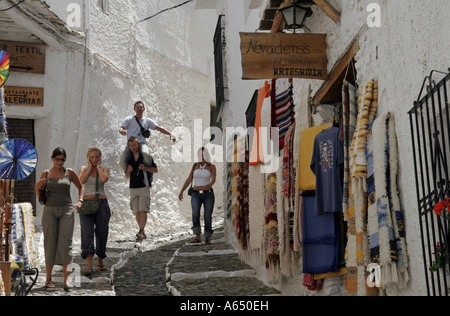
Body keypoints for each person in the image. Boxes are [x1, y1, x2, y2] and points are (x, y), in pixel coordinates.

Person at [35, 147, 85, 291]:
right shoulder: (45, 174)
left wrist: (80, 200)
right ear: (52, 159)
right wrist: (37, 187)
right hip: (49, 210)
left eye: (63, 159)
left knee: (65, 244)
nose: (60, 162)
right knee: (49, 243)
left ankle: (66, 280)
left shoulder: (69, 172)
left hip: (67, 210)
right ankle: (48, 279)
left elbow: (81, 187)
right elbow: (41, 199)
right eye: (58, 159)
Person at [78, 147, 111, 275]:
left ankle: (100, 258)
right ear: (88, 158)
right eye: (92, 157)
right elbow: (81, 181)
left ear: (100, 158)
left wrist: (97, 167)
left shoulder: (104, 169)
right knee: (87, 233)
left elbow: (103, 179)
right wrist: (90, 167)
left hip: (101, 203)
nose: (95, 159)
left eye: (97, 157)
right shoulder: (83, 169)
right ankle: (89, 265)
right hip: (86, 203)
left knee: (102, 233)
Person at [119, 100, 176, 173]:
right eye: (137, 107)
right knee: (122, 162)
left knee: (146, 153)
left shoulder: (147, 120)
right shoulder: (129, 119)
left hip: (141, 143)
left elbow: (158, 128)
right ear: (134, 109)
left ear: (144, 109)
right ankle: (133, 173)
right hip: (131, 144)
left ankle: (146, 171)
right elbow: (122, 128)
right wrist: (121, 131)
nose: (139, 108)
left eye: (141, 107)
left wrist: (170, 133)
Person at [178, 147, 216, 244]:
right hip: (196, 194)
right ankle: (197, 236)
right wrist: (182, 190)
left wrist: (209, 185)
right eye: (200, 155)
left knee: (207, 215)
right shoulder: (195, 166)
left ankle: (207, 237)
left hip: (208, 194)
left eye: (203, 155)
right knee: (195, 214)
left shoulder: (211, 166)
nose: (201, 157)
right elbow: (189, 179)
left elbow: (213, 179)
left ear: (207, 155)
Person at [125, 137, 158, 241]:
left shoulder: (145, 157)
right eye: (130, 145)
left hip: (144, 186)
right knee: (137, 211)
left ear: (138, 145)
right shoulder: (129, 159)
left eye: (134, 145)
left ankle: (141, 230)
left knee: (143, 209)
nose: (133, 147)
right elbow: (126, 176)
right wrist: (129, 171)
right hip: (133, 187)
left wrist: (145, 168)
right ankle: (141, 231)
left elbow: (155, 169)